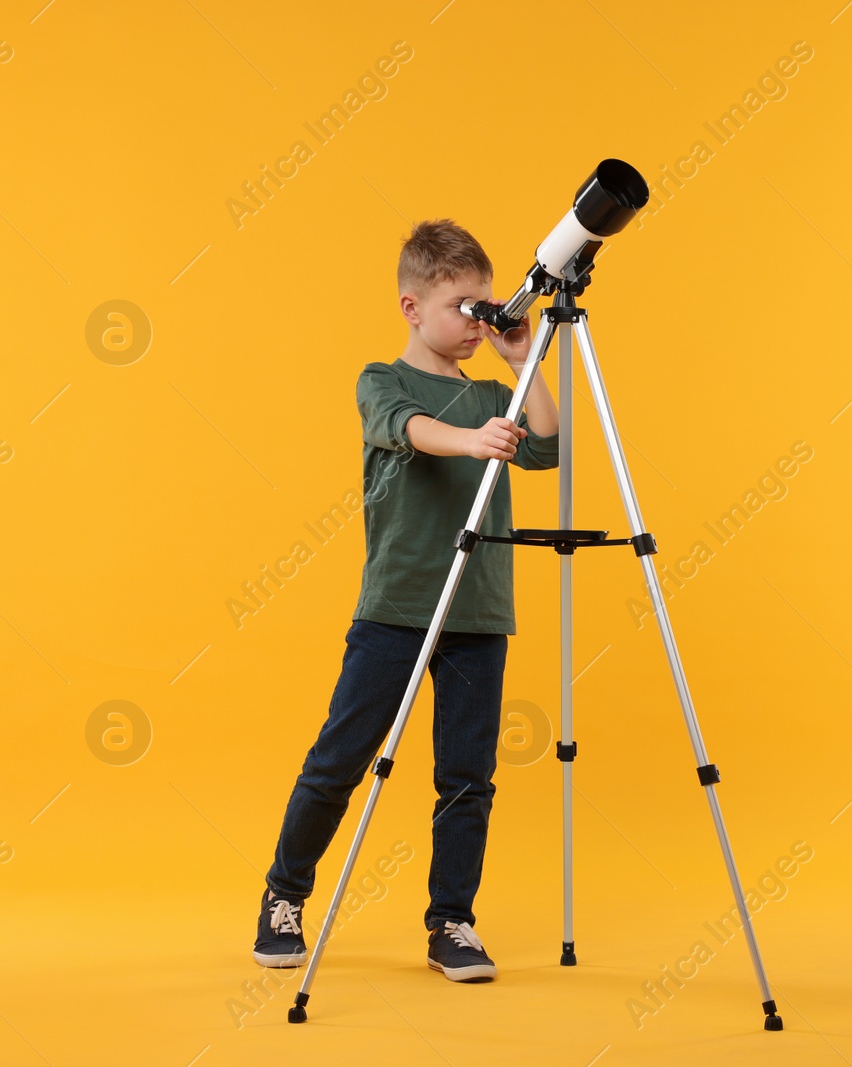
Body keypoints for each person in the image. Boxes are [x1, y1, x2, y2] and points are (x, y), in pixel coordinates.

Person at [252, 219, 559, 982]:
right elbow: (404, 429)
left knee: (467, 775)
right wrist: (475, 439)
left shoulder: (497, 390)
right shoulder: (380, 379)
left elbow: (547, 447)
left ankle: (452, 920)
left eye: (486, 305)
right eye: (463, 305)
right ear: (412, 305)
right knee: (340, 759)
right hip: (397, 604)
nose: (476, 321)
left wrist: (525, 360)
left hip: (478, 610)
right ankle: (284, 893)